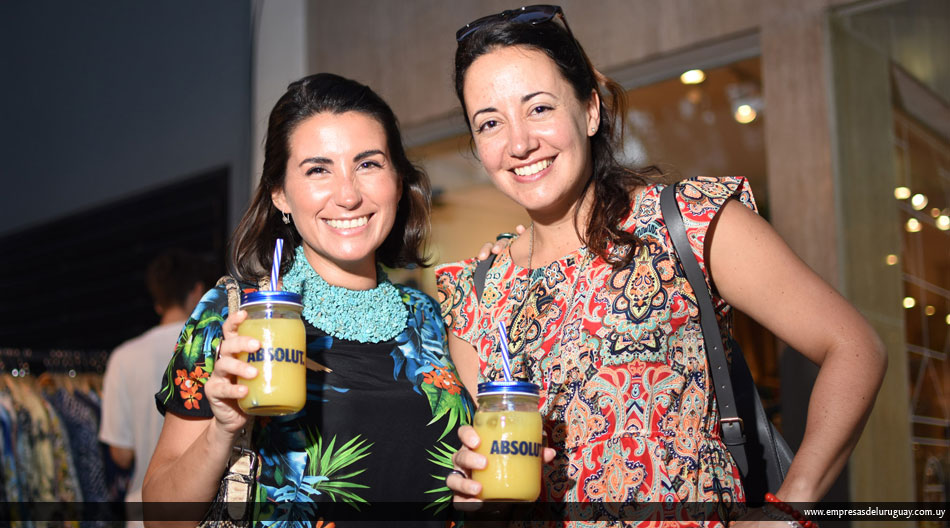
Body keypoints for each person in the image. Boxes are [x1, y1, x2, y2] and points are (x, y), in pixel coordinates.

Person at [437, 4, 887, 526]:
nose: (519, 143)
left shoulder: (686, 224)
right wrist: (478, 496)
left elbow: (854, 347)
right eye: (490, 123)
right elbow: (501, 481)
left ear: (590, 110)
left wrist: (791, 506)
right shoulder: (479, 295)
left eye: (539, 108)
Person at [142, 73, 474, 527]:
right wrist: (222, 430)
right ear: (280, 193)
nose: (348, 195)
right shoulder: (235, 314)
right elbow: (161, 518)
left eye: (368, 164)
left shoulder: (431, 318)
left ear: (398, 181)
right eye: (318, 169)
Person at [99, 248, 216, 527]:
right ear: (197, 291)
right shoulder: (211, 346)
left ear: (158, 302)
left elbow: (121, 455)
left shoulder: (123, 357)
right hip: (200, 508)